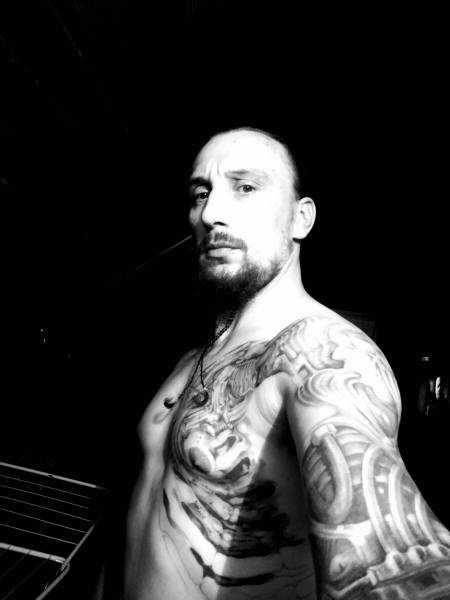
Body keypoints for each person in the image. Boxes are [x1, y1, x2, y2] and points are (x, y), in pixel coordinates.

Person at [124, 127, 450, 600]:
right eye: (201, 194)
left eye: (245, 187)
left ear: (301, 219)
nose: (210, 214)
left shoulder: (323, 351)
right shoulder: (194, 356)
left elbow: (396, 567)